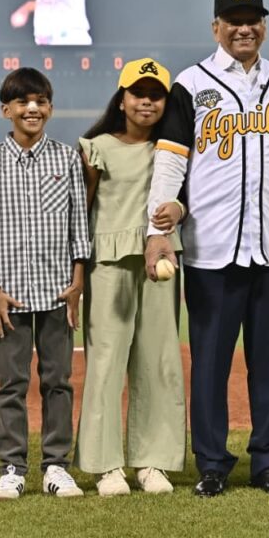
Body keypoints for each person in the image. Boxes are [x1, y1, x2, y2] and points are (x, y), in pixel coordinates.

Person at [142, 0, 269, 498]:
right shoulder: (191, 83)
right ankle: (212, 463)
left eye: (253, 19)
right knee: (210, 364)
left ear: (265, 26)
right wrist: (157, 232)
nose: (244, 28)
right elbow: (170, 160)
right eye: (234, 20)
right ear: (216, 27)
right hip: (211, 248)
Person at [0, 67, 91, 500]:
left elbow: (79, 225)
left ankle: (56, 466)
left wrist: (78, 282)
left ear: (51, 108)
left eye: (40, 101)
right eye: (22, 102)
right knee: (12, 385)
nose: (32, 109)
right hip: (10, 296)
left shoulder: (66, 159)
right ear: (7, 110)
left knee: (58, 381)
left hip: (58, 292)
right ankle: (12, 468)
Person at [72, 58, 186, 496]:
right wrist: (75, 269)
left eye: (156, 95)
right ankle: (105, 466)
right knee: (105, 360)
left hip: (160, 262)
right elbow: (79, 211)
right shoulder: (96, 146)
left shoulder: (173, 148)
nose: (147, 102)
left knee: (158, 360)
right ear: (121, 99)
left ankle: (152, 462)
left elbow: (187, 199)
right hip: (108, 260)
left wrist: (178, 209)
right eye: (138, 93)